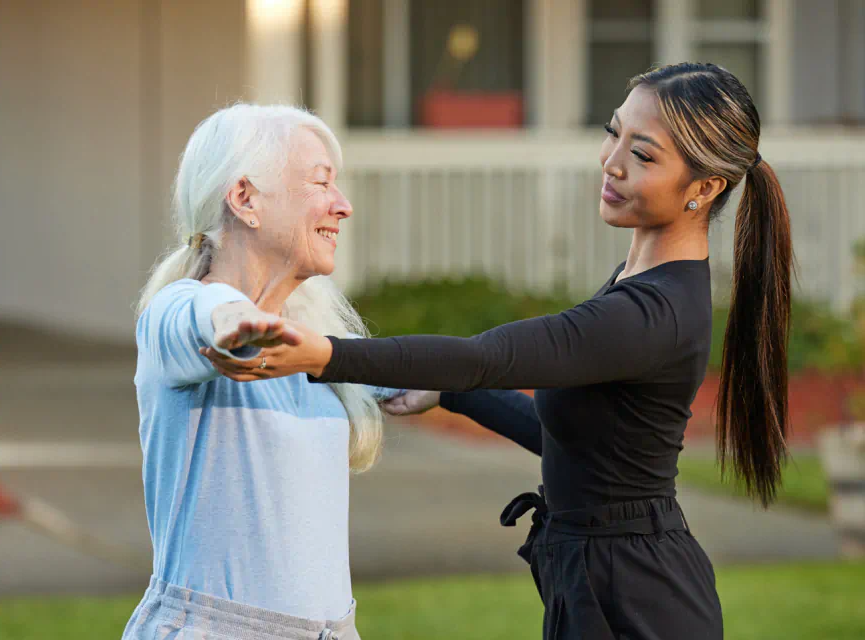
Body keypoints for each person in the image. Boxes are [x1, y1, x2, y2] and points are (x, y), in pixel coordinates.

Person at [204, 63, 793, 640]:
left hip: (636, 598)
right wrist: (452, 394)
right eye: (614, 133)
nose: (611, 163)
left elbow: (485, 357)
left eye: (643, 156)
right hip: (602, 576)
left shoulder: (649, 315)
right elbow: (577, 444)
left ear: (705, 188)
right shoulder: (639, 284)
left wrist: (325, 354)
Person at [123, 104, 398, 640]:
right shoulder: (178, 311)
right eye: (321, 182)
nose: (342, 206)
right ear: (245, 199)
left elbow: (447, 370)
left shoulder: (311, 344)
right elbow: (197, 318)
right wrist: (232, 320)